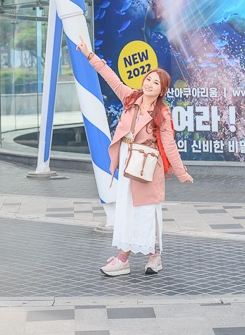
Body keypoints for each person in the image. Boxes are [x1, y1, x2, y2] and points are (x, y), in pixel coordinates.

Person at [76, 35, 193, 277]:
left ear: (162, 90)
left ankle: (142, 257)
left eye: (155, 83)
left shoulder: (162, 112)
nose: (149, 84)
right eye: (148, 79)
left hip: (148, 166)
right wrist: (89, 54)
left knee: (147, 211)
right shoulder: (130, 97)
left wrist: (181, 173)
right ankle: (138, 257)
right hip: (129, 160)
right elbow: (109, 76)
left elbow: (169, 144)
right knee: (129, 209)